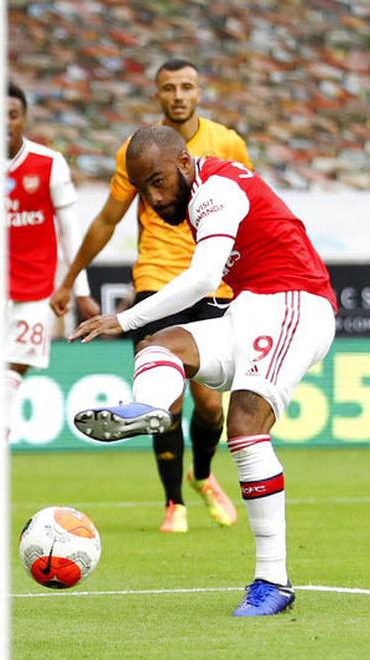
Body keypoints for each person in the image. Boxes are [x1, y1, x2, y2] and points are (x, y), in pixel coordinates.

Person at [70, 125, 337, 616]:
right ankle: (152, 409)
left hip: (296, 304)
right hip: (251, 308)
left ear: (185, 164)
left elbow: (203, 278)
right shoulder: (197, 195)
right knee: (159, 348)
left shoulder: (215, 190)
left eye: (157, 182)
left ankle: (273, 580)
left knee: (243, 426)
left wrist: (123, 317)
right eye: (142, 190)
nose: (152, 198)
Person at [54, 58, 246, 533]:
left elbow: (246, 207)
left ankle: (202, 476)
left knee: (208, 405)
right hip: (157, 277)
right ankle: (173, 503)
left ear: (199, 92)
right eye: (169, 88)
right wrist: (71, 279)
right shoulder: (138, 151)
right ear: (157, 95)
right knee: (169, 400)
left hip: (213, 278)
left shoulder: (227, 143)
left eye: (186, 87)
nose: (178, 95)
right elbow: (106, 220)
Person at [5, 81, 99, 436]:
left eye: (13, 115)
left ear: (24, 118)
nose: (5, 122)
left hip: (34, 291)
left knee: (10, 375)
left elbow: (70, 232)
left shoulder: (49, 163)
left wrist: (80, 289)